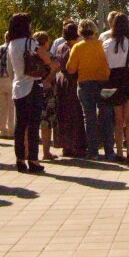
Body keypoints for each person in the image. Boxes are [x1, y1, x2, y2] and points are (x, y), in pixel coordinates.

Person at [7, 12, 54, 173]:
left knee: (20, 125)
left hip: (18, 86)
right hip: (32, 85)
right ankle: (33, 159)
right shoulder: (30, 42)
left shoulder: (11, 44)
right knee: (33, 125)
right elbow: (46, 59)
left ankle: (20, 159)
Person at [67, 19, 115, 160]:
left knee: (90, 118)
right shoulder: (103, 45)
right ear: (94, 30)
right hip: (104, 83)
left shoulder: (77, 47)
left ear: (80, 31)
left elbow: (70, 69)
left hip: (85, 84)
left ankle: (93, 152)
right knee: (106, 117)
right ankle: (109, 151)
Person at [103, 14, 129, 163]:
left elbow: (105, 62)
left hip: (113, 79)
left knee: (118, 119)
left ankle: (119, 151)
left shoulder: (107, 43)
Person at [54, 22, 87, 157]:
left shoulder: (60, 47)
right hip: (74, 80)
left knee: (63, 113)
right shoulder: (77, 47)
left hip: (61, 80)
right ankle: (77, 146)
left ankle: (65, 146)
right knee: (76, 114)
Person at [34, 31, 61, 161]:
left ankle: (31, 153)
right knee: (47, 122)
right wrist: (49, 79)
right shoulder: (49, 56)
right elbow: (57, 67)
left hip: (33, 90)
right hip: (48, 92)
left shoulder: (31, 56)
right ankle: (46, 152)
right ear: (45, 43)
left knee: (33, 123)